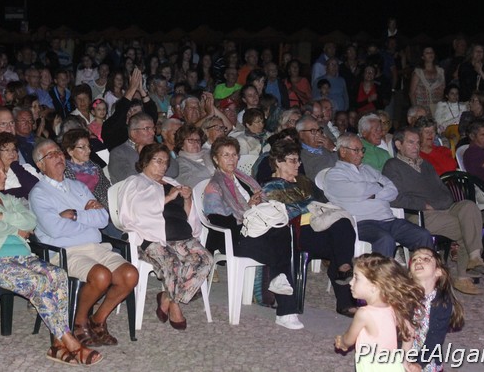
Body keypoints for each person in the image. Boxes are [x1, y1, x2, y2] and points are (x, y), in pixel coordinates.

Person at [0, 149, 103, 366]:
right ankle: (70, 342)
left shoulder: (7, 199)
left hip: (21, 256)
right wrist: (14, 228)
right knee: (38, 281)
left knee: (59, 275)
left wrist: (3, 216)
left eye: (3, 170)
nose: (4, 175)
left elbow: (30, 221)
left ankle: (57, 345)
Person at [30, 140, 139, 347]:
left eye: (58, 152)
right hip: (64, 252)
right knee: (101, 275)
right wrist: (87, 218)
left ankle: (97, 321)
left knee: (130, 274)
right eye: (50, 155)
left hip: (95, 247)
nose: (58, 157)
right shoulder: (39, 193)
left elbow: (102, 218)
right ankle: (79, 322)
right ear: (40, 165)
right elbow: (55, 229)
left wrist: (74, 215)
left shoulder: (78, 186)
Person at [202, 137, 304, 329]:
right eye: (225, 155)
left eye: (234, 155)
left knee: (282, 230)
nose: (231, 159)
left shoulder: (245, 179)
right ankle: (286, 310)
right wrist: (248, 209)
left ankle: (282, 297)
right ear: (216, 159)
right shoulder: (214, 186)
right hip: (237, 238)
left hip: (259, 231)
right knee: (280, 250)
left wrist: (259, 207)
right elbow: (217, 220)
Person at [384, 127, 484, 295]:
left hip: (442, 208)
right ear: (398, 144)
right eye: (411, 143)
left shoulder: (425, 165)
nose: (416, 147)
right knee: (467, 227)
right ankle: (462, 276)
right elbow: (393, 197)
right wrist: (424, 205)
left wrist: (441, 203)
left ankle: (475, 256)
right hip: (419, 214)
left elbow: (445, 192)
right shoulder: (393, 166)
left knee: (469, 207)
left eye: (418, 143)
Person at [118, 143, 214, 330]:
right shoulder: (134, 183)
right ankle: (175, 305)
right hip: (152, 239)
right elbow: (135, 214)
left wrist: (187, 198)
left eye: (166, 162)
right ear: (145, 162)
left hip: (182, 237)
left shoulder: (172, 183)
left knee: (205, 259)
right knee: (173, 264)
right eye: (158, 161)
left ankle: (167, 297)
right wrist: (169, 198)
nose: (163, 166)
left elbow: (188, 216)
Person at [263, 139, 357, 316]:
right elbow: (285, 213)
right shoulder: (271, 186)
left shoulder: (304, 181)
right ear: (278, 162)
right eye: (292, 160)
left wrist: (313, 206)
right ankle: (343, 278)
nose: (298, 164)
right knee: (339, 241)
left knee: (342, 226)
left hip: (317, 228)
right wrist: (309, 206)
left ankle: (343, 270)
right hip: (295, 234)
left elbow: (323, 202)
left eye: (298, 160)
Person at [323, 134, 433, 258]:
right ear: (343, 151)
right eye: (356, 150)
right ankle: (381, 271)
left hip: (389, 220)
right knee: (385, 239)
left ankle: (424, 270)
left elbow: (393, 190)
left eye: (362, 150)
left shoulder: (368, 169)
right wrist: (378, 186)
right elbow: (358, 191)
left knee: (423, 235)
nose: (361, 154)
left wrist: (373, 195)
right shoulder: (334, 175)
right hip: (361, 223)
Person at [334, 253, 423, 372]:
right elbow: (410, 331)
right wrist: (404, 358)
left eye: (356, 278)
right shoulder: (394, 307)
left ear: (374, 287)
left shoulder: (364, 313)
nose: (351, 282)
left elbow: (349, 339)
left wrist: (342, 342)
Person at [408, 247, 465, 372]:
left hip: (428, 359)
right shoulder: (405, 298)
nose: (418, 261)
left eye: (426, 259)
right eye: (415, 259)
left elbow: (435, 337)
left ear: (438, 272)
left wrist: (419, 363)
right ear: (410, 274)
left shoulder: (442, 303)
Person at [62, 128, 111, 211]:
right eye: (82, 147)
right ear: (70, 151)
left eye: (88, 146)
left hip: (107, 205)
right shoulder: (66, 173)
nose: (88, 150)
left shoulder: (94, 166)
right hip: (86, 211)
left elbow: (107, 186)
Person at [0, 132, 40, 200]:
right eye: (7, 150)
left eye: (14, 150)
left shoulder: (26, 168)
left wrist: (15, 166)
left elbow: (36, 190)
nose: (12, 153)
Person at [175, 123, 216, 188]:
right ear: (181, 144)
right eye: (191, 140)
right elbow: (186, 181)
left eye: (198, 140)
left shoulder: (210, 154)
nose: (195, 143)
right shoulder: (179, 162)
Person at [409, 47, 445, 118]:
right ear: (422, 57)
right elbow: (412, 93)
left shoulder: (440, 71)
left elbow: (443, 91)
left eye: (432, 52)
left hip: (437, 108)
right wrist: (416, 110)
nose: (430, 54)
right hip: (422, 109)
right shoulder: (418, 72)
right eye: (427, 53)